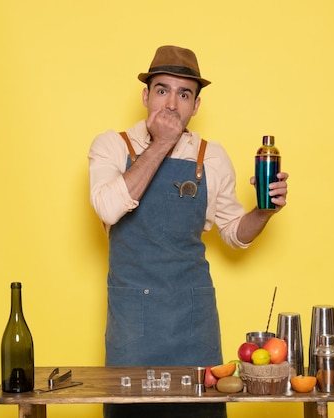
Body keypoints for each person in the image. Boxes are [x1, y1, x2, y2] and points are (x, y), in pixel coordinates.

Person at [88, 45, 288, 418]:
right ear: (146, 96)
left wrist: (264, 212)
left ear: (196, 106)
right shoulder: (113, 146)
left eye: (184, 94)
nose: (171, 104)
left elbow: (234, 233)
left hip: (193, 325)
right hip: (134, 327)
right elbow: (107, 208)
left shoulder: (211, 157)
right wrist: (163, 143)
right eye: (162, 90)